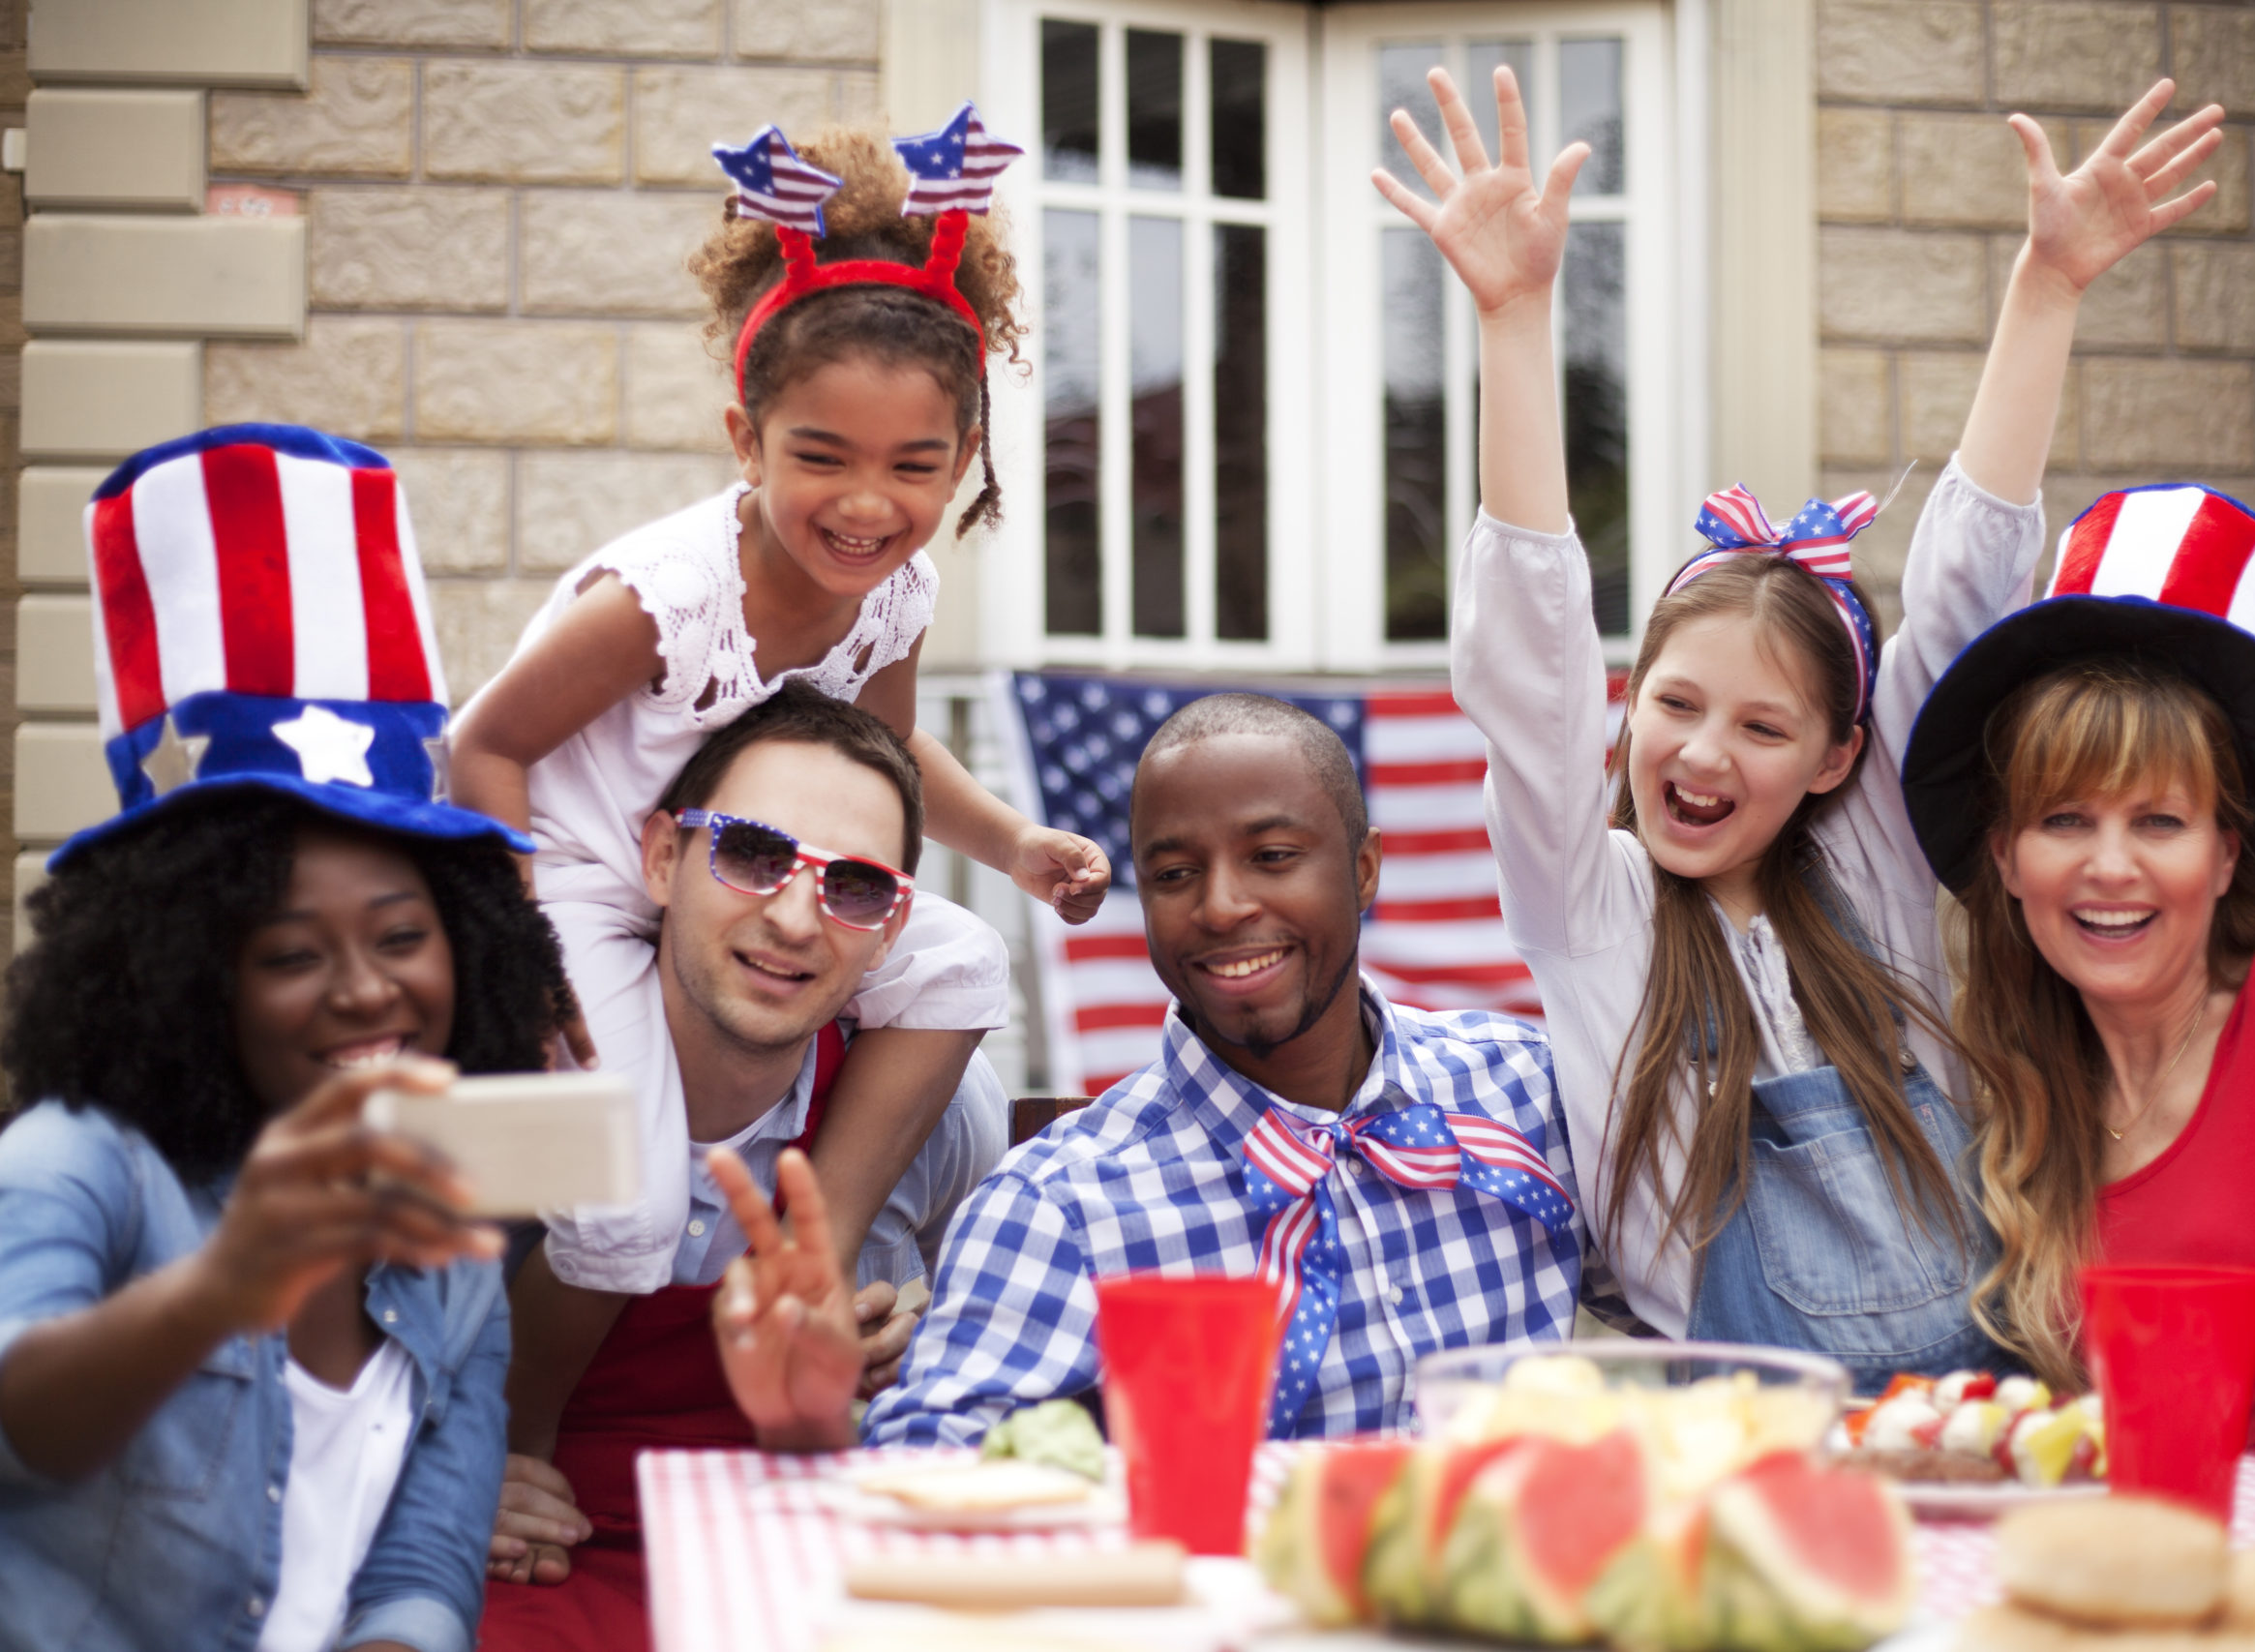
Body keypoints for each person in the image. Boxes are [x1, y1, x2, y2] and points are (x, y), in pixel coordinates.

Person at [1389, 67, 2225, 1386]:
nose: (1706, 752)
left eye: (1765, 728)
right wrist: (1513, 318)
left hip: (1975, 1401)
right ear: (1624, 717)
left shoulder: (1869, 864)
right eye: (1675, 704)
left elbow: (1960, 596)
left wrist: (2046, 290)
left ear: (1840, 757)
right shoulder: (1583, 901)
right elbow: (1534, 663)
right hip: (1737, 1429)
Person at [446, 111, 1106, 1457]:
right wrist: (515, 944)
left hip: (749, 862)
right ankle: (518, 1440)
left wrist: (1017, 838)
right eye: (825, 455)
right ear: (746, 437)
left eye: (916, 465)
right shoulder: (665, 599)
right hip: (584, 874)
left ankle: (821, 1245)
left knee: (968, 962)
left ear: (965, 459)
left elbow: (885, 761)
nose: (869, 499)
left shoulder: (899, 586)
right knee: (623, 1206)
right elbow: (484, 742)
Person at [0, 426, 568, 1652]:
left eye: (402, 936)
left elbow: (421, 1565)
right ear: (183, 970)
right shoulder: (75, 1162)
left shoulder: (454, 1218)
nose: (368, 994)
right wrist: (222, 1286)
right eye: (290, 955)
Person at [1903, 483, 2255, 1508]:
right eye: (2065, 819)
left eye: (2159, 822)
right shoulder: (2022, 1115)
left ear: (2224, 854)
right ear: (2006, 858)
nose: (2108, 867)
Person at [870, 694, 1609, 1445]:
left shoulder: (1532, 1094)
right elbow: (924, 1480)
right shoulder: (1062, 1206)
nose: (1221, 905)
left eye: (1272, 857)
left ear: (1363, 870)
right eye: (1174, 873)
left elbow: (1695, 1304)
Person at [478, 686, 1007, 1650]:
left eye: (854, 886)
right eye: (754, 855)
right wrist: (445, 1468)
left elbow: (954, 1381)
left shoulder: (936, 1116)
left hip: (799, 1566)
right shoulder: (501, 1085)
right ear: (663, 858)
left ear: (892, 929)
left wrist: (903, 1352)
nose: (797, 919)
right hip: (529, 1561)